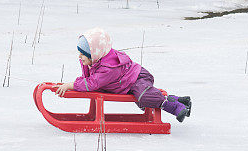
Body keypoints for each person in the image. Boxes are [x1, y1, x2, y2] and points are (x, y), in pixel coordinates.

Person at [55, 27, 192, 122]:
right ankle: (178, 100)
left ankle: (175, 107)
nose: (79, 56)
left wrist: (72, 85)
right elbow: (89, 79)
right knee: (143, 97)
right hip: (126, 82)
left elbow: (93, 83)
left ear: (94, 53)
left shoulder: (108, 67)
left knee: (144, 97)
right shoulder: (94, 60)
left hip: (137, 78)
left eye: (83, 54)